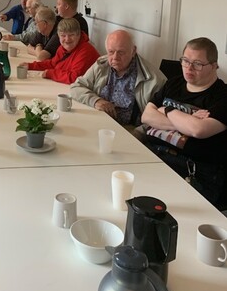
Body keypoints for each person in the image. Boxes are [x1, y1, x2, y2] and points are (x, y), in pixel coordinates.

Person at [141, 37, 227, 207]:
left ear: (214, 66)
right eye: (185, 61)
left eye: (197, 64)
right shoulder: (174, 83)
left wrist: (166, 110)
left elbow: (198, 130)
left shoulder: (221, 96)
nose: (189, 68)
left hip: (192, 170)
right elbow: (147, 116)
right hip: (152, 153)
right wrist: (186, 123)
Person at [70, 30, 166, 128]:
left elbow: (158, 119)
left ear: (133, 51)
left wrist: (136, 134)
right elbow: (76, 87)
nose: (115, 57)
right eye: (111, 52)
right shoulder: (101, 65)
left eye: (121, 52)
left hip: (129, 129)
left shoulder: (153, 79)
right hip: (97, 122)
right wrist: (96, 101)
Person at [19, 18, 99, 84]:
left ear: (79, 35)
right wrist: (30, 66)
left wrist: (50, 73)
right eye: (63, 35)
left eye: (71, 35)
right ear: (58, 36)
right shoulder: (62, 48)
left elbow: (74, 78)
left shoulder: (86, 51)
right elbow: (52, 64)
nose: (67, 39)